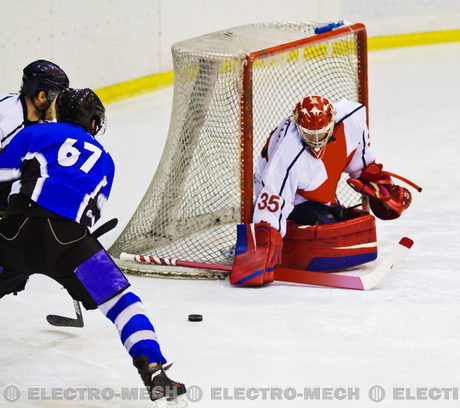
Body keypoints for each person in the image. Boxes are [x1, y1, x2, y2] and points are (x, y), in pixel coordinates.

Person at [0, 88, 186, 402]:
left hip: (14, 231)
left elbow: (3, 178)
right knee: (122, 301)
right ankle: (152, 369)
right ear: (94, 121)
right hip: (69, 241)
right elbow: (90, 211)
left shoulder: (33, 134)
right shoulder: (105, 159)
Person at [231, 95, 412, 285]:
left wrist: (373, 180)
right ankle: (288, 233)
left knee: (341, 218)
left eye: (321, 133)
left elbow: (362, 162)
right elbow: (271, 201)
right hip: (279, 189)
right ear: (298, 126)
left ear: (332, 121)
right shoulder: (288, 156)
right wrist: (260, 250)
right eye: (309, 134)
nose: (316, 140)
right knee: (323, 222)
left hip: (311, 183)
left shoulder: (353, 117)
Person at [0, 60, 70, 215]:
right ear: (42, 96)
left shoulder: (47, 121)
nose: (59, 104)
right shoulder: (4, 115)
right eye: (58, 97)